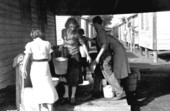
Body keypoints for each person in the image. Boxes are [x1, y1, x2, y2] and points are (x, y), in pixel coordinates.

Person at [91, 16, 131, 100]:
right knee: (107, 72)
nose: (93, 26)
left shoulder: (101, 31)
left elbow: (104, 45)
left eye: (94, 24)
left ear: (95, 23)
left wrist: (97, 58)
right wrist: (87, 39)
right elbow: (99, 42)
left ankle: (120, 92)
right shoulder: (100, 31)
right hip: (112, 51)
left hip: (116, 51)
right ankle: (118, 90)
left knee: (110, 72)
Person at [21, 28, 58, 111]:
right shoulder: (47, 43)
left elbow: (26, 58)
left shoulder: (30, 44)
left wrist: (23, 69)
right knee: (48, 86)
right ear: (41, 35)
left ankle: (39, 109)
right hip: (45, 66)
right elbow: (49, 57)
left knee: (37, 87)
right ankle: (50, 109)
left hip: (35, 67)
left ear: (32, 35)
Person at [60, 17, 91, 104]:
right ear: (67, 25)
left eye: (74, 26)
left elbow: (83, 44)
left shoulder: (77, 34)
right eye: (70, 26)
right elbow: (64, 42)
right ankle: (66, 95)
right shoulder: (63, 32)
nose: (72, 28)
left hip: (75, 56)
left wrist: (88, 55)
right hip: (66, 55)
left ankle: (72, 96)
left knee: (74, 76)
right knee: (65, 75)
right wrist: (62, 46)